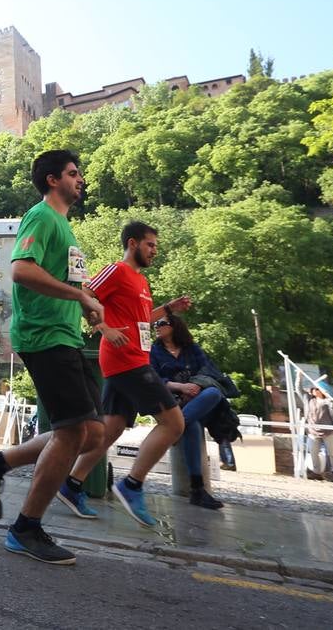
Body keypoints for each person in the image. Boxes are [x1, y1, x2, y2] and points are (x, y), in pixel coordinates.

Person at [0, 150, 108, 565]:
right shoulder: (42, 217)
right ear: (52, 179)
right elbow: (23, 271)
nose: (81, 179)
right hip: (44, 336)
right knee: (71, 433)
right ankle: (26, 528)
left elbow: (66, 280)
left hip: (66, 335)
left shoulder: (64, 225)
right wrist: (79, 297)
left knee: (92, 434)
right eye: (73, 173)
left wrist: (85, 303)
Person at [65, 221, 201, 524]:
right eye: (150, 244)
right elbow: (84, 294)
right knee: (174, 423)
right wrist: (103, 327)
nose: (155, 250)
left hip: (134, 357)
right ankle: (132, 484)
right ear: (132, 243)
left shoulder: (140, 281)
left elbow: (142, 321)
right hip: (125, 360)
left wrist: (169, 308)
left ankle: (72, 484)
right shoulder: (116, 270)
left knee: (110, 430)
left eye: (156, 246)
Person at [149, 313, 239, 492]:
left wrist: (196, 386)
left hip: (199, 399)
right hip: (174, 401)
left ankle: (175, 429)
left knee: (213, 393)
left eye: (161, 323)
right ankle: (198, 487)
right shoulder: (154, 351)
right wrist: (181, 387)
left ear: (174, 326)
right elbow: (153, 378)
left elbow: (209, 371)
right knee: (192, 425)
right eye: (155, 324)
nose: (156, 326)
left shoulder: (192, 348)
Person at [304, 386, 333, 481]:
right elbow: (299, 389)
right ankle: (316, 472)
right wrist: (299, 378)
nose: (314, 391)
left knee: (332, 452)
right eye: (313, 389)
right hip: (314, 431)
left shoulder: (329, 402)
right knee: (313, 452)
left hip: (328, 431)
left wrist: (330, 402)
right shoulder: (310, 401)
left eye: (317, 389)